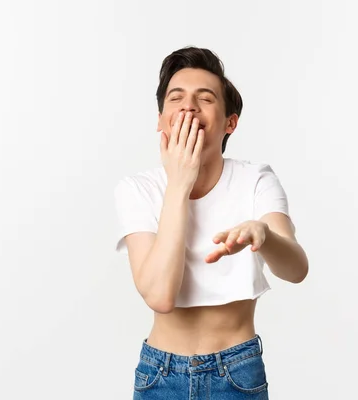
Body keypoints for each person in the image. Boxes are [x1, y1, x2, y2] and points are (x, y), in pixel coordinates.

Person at [114, 46, 309, 399]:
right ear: (161, 120)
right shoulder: (137, 189)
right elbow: (159, 295)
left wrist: (264, 235)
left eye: (205, 98)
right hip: (160, 375)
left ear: (229, 122)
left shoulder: (256, 179)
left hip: (237, 373)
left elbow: (296, 269)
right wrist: (179, 183)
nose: (188, 106)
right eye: (176, 98)